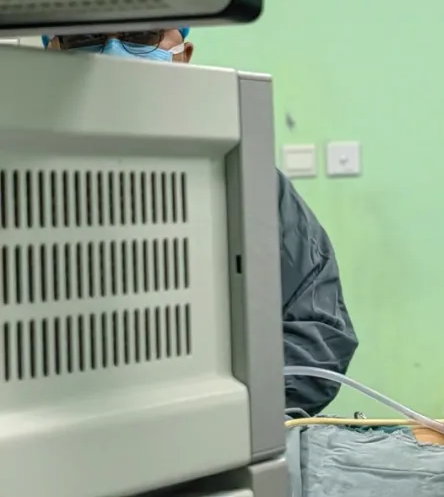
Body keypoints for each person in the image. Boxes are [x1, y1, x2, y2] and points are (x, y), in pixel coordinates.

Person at [44, 27, 358, 415]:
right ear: (50, 52)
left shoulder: (244, 181)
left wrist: (222, 412)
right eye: (83, 37)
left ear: (183, 56)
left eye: (141, 35)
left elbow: (318, 332)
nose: (110, 52)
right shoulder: (18, 180)